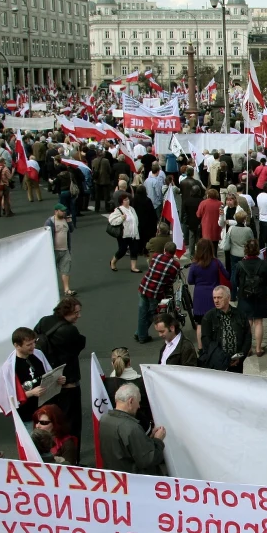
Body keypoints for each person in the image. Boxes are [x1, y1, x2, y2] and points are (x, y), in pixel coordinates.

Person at [34, 297, 86, 452]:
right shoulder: (69, 330)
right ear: (67, 312)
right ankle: (72, 457)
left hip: (52, 383)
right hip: (68, 383)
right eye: (76, 312)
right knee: (72, 424)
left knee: (54, 421)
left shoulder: (44, 321)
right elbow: (79, 344)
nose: (79, 316)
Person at [98, 384, 166, 475]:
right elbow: (148, 460)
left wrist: (148, 439)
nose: (139, 406)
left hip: (115, 476)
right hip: (134, 479)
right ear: (131, 401)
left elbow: (126, 447)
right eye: (138, 402)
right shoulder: (131, 427)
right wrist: (158, 440)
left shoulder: (104, 419)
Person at [230, 238, 267, 357]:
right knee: (258, 322)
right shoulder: (263, 264)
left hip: (244, 296)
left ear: (245, 250)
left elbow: (234, 281)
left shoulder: (240, 265)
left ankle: (247, 349)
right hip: (260, 296)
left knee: (247, 323)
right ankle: (258, 348)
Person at [134, 245, 181, 345]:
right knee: (152, 314)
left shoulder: (156, 256)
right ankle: (141, 336)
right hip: (155, 292)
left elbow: (151, 267)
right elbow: (171, 281)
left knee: (142, 313)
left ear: (164, 250)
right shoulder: (175, 265)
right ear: (174, 252)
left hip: (144, 287)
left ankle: (139, 333)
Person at [186, 238, 232, 324]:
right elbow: (227, 275)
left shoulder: (194, 265)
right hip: (215, 295)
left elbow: (190, 281)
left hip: (199, 296)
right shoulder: (216, 262)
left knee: (200, 324)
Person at [46, 203, 76, 296]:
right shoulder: (50, 221)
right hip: (53, 251)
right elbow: (46, 234)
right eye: (62, 211)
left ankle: (66, 289)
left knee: (65, 270)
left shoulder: (66, 220)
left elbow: (71, 230)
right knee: (51, 271)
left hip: (65, 249)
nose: (64, 212)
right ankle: (49, 289)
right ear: (56, 211)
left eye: (64, 211)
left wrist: (70, 221)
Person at [108, 192, 141, 272]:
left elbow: (135, 220)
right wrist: (121, 218)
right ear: (121, 202)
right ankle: (113, 262)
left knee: (134, 250)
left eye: (128, 199)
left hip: (133, 234)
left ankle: (133, 267)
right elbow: (111, 220)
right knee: (122, 250)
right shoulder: (118, 210)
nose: (128, 201)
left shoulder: (132, 209)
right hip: (123, 234)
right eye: (125, 200)